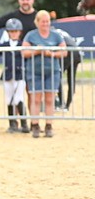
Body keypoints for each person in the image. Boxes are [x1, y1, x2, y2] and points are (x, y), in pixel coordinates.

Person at [21, 10, 67, 138]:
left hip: (52, 71)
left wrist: (50, 54)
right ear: (37, 22)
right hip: (34, 71)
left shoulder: (56, 35)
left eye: (47, 21)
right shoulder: (31, 35)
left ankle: (49, 125)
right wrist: (36, 51)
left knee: (49, 99)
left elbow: (64, 51)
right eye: (43, 21)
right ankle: (35, 125)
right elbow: (24, 52)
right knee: (35, 99)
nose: (45, 24)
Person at [0, 18, 29, 134]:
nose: (13, 33)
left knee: (18, 98)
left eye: (16, 31)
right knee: (9, 100)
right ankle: (12, 124)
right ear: (8, 32)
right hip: (8, 74)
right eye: (11, 31)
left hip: (20, 74)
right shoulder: (4, 45)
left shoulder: (23, 45)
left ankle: (24, 124)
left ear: (20, 32)